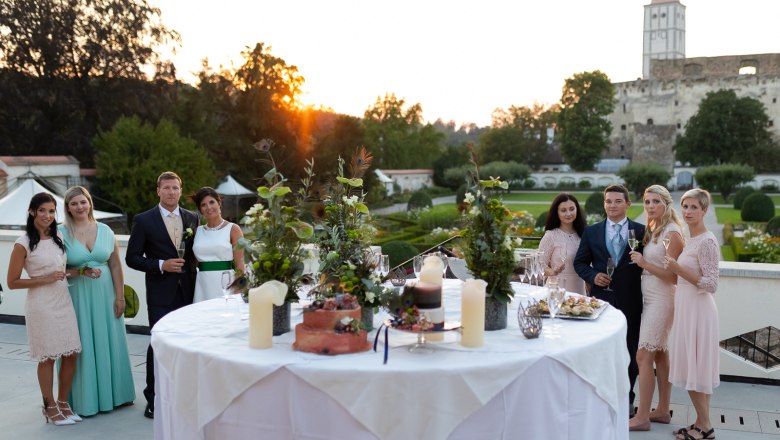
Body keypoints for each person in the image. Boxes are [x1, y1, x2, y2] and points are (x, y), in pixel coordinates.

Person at [126, 171, 198, 419]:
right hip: (160, 293)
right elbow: (132, 258)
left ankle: (182, 396)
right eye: (166, 188)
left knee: (187, 345)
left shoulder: (193, 218)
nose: (171, 192)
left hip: (189, 292)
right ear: (158, 191)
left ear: (180, 190)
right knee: (158, 344)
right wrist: (160, 265)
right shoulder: (144, 220)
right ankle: (153, 399)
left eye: (175, 188)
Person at [58, 186, 136, 416]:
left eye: (83, 202)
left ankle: (117, 396)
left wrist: (120, 296)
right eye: (74, 204)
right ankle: (83, 400)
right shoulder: (60, 234)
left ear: (90, 203)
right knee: (80, 345)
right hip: (77, 296)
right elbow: (58, 269)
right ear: (68, 208)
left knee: (109, 340)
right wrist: (79, 271)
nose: (80, 207)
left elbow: (115, 265)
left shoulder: (105, 230)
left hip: (106, 294)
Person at [6, 192, 82, 425]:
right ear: (32, 212)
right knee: (48, 357)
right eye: (42, 211)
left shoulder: (58, 235)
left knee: (71, 354)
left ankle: (62, 403)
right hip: (41, 304)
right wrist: (44, 279)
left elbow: (60, 269)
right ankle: (49, 407)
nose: (48, 215)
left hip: (63, 299)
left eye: (51, 211)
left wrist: (83, 272)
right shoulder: (23, 243)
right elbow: (12, 282)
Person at [573, 184, 645, 415]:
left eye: (617, 201)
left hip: (630, 299)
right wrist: (593, 276)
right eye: (608, 201)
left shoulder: (642, 231)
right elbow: (579, 263)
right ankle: (599, 396)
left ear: (627, 204)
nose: (612, 206)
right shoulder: (591, 231)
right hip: (600, 300)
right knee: (600, 350)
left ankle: (627, 399)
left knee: (629, 349)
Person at [627, 185, 685, 431]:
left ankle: (641, 418)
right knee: (660, 353)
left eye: (655, 202)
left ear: (666, 204)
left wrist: (643, 264)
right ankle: (662, 410)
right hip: (648, 297)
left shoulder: (673, 233)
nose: (650, 206)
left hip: (663, 299)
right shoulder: (652, 228)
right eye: (647, 202)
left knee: (643, 354)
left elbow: (674, 277)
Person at [665, 189, 720, 440]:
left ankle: (706, 428)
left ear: (704, 210)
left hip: (699, 311)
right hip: (687, 308)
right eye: (684, 206)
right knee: (694, 368)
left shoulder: (707, 241)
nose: (687, 211)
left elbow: (711, 284)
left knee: (694, 368)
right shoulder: (692, 239)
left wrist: (677, 268)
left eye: (693, 207)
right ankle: (699, 423)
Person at [191, 187, 244, 302]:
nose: (208, 207)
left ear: (219, 203)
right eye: (203, 205)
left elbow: (240, 263)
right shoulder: (197, 231)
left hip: (226, 283)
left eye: (211, 202)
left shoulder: (233, 229)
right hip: (202, 285)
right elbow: (194, 262)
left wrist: (239, 288)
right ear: (200, 209)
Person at [538, 193, 587, 294]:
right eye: (563, 210)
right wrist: (552, 272)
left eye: (572, 209)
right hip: (556, 289)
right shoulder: (551, 236)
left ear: (577, 209)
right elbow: (539, 265)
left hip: (579, 288)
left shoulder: (585, 234)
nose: (568, 213)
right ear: (557, 213)